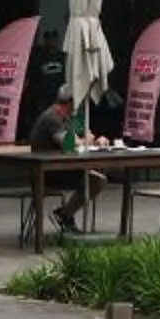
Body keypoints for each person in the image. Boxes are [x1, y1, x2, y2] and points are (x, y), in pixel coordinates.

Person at [30, 93, 100, 236]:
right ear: (68, 104)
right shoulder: (51, 118)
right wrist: (84, 140)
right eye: (76, 105)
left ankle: (64, 215)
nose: (77, 109)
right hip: (47, 173)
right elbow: (68, 144)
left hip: (62, 168)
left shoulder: (66, 118)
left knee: (97, 178)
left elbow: (82, 136)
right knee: (95, 180)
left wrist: (94, 139)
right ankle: (65, 216)